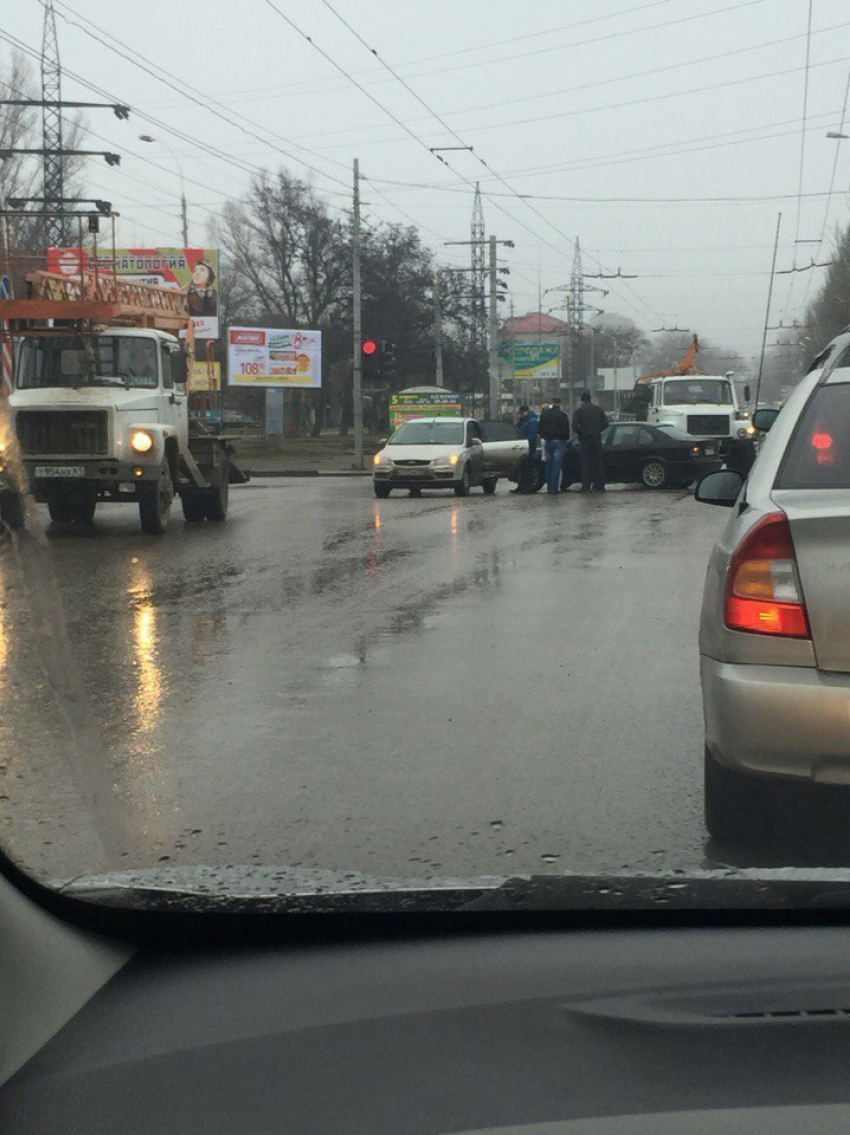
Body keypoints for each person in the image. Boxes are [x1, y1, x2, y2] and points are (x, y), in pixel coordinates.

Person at [572, 391, 609, 492]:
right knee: (598, 462)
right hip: (596, 439)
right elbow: (606, 424)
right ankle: (599, 485)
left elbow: (574, 426)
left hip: (584, 440)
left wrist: (581, 432)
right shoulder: (598, 410)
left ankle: (586, 486)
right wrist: (597, 430)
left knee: (585, 463)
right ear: (590, 399)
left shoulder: (579, 411)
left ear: (582, 400)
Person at [537, 396, 571, 495]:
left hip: (548, 442)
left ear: (552, 402)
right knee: (556, 466)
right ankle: (554, 489)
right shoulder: (563, 415)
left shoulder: (545, 415)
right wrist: (564, 439)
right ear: (560, 403)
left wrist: (546, 436)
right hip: (559, 442)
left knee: (548, 466)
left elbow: (539, 429)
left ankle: (549, 488)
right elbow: (566, 431)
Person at [514, 404, 539, 494]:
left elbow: (532, 436)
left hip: (529, 447)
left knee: (528, 467)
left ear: (524, 412)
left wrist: (527, 443)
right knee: (522, 467)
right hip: (522, 446)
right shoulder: (524, 421)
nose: (518, 415)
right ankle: (521, 486)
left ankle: (528, 486)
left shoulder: (531, 421)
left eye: (520, 413)